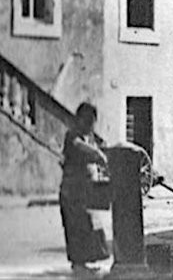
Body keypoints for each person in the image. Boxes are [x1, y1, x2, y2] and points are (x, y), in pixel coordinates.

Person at [59, 102, 112, 276]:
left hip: (84, 191)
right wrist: (98, 155)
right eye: (87, 121)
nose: (90, 126)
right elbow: (81, 148)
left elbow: (97, 148)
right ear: (79, 119)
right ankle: (78, 265)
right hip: (72, 191)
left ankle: (85, 263)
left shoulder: (87, 136)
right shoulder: (72, 136)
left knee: (88, 226)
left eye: (92, 123)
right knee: (76, 227)